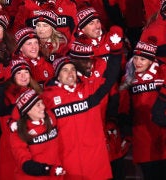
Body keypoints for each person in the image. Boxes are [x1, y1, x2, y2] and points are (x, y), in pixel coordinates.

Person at [41, 34, 122, 179]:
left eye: (72, 69)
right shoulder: (48, 99)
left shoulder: (88, 91)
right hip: (69, 165)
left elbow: (109, 78)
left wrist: (116, 52)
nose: (70, 73)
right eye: (65, 70)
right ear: (57, 75)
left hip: (95, 164)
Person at [118, 36, 166, 180]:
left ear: (152, 60)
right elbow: (123, 108)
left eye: (143, 59)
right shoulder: (128, 79)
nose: (138, 63)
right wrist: (126, 131)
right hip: (143, 136)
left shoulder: (164, 74)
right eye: (136, 58)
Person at [0, 58, 41, 178]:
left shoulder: (37, 93)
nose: (23, 76)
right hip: (10, 149)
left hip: (34, 147)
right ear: (12, 76)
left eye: (26, 72)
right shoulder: (6, 96)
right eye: (18, 73)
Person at [9, 89, 65, 178]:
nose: (43, 107)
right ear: (27, 110)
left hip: (55, 174)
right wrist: (48, 169)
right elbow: (25, 164)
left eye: (42, 103)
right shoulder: (18, 132)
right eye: (38, 105)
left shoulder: (50, 117)